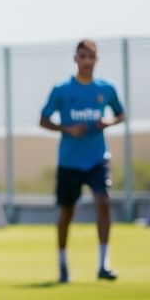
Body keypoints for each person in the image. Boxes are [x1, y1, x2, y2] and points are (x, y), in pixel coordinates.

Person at [39, 39, 126, 283]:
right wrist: (66, 129)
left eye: (91, 57)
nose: (87, 61)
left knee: (103, 202)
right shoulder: (62, 90)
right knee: (66, 212)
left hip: (98, 158)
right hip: (69, 161)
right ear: (75, 59)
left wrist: (109, 122)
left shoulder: (105, 90)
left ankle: (104, 263)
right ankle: (63, 264)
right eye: (82, 57)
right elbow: (43, 120)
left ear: (96, 60)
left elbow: (121, 114)